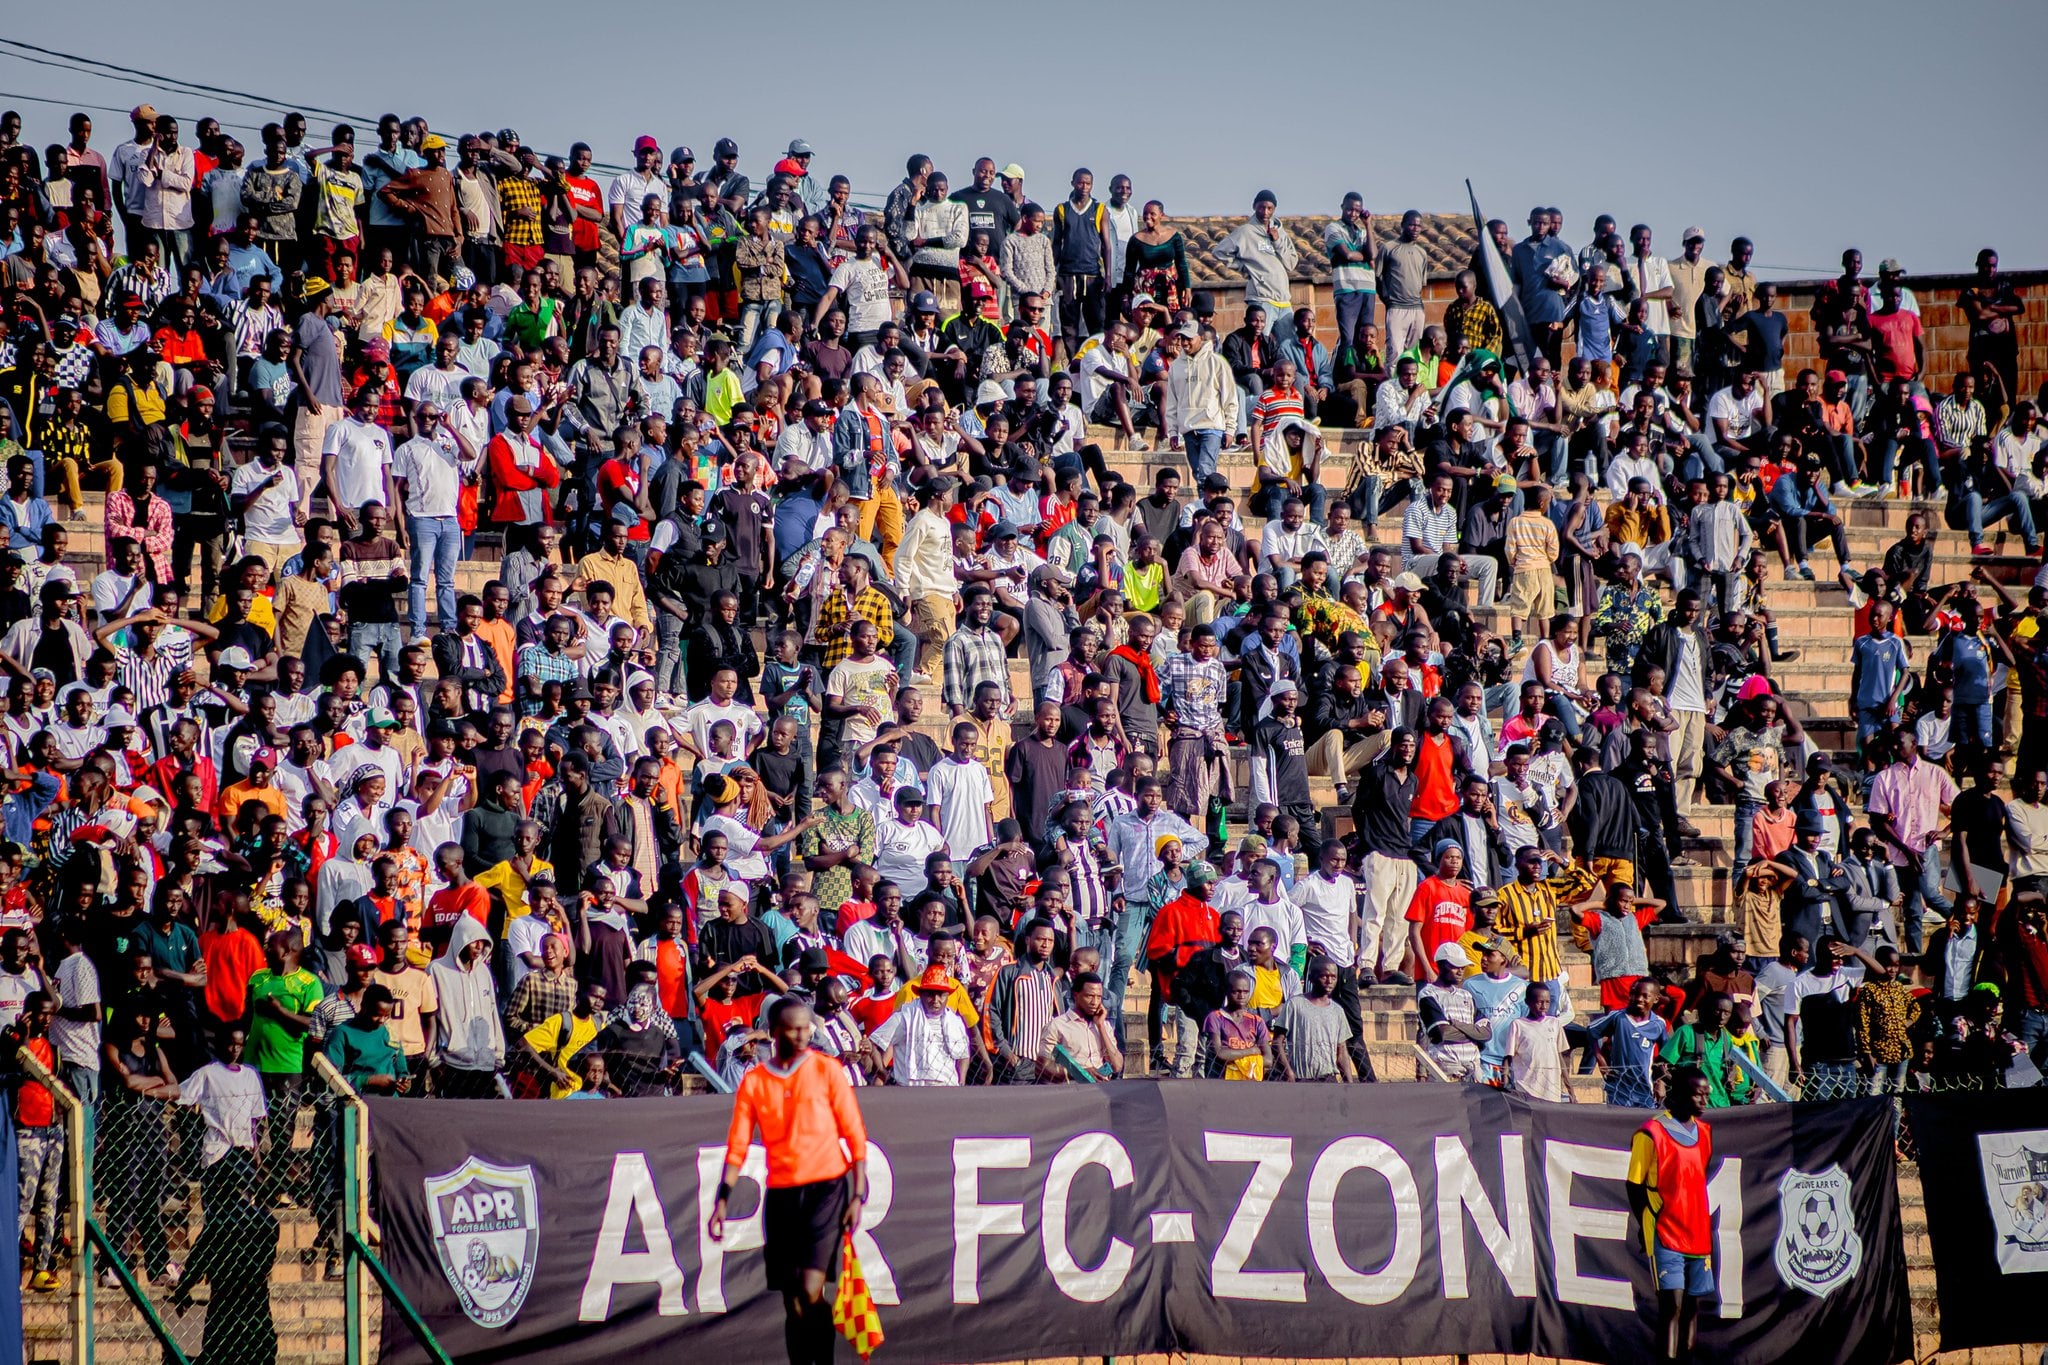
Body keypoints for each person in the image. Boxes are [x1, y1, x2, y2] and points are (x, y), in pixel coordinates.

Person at [710, 996, 868, 1365]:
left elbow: (855, 1134)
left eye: (805, 1028)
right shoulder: (755, 1082)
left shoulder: (827, 1070)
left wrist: (858, 1194)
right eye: (792, 1029)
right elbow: (738, 1143)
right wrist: (723, 1198)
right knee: (791, 1296)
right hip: (782, 1194)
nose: (801, 1035)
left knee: (811, 1289)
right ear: (774, 1032)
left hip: (827, 1189)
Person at [1627, 1067, 1715, 1365]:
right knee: (1672, 1308)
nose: (1704, 1100)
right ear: (1678, 1094)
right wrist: (1643, 1222)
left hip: (1699, 1234)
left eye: (1707, 1094)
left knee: (1692, 1308)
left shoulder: (1704, 1133)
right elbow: (1634, 1184)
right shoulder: (1650, 1133)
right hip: (1665, 1232)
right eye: (1698, 1094)